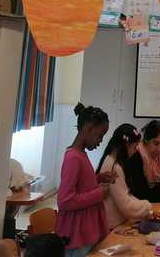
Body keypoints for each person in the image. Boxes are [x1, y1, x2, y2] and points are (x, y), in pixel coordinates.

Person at [56, 104, 113, 257]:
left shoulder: (80, 154)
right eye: (100, 135)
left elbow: (81, 185)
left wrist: (98, 178)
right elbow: (65, 201)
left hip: (84, 232)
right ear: (88, 128)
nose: (100, 141)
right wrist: (99, 193)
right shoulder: (73, 158)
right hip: (76, 235)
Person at [98, 123, 160, 229]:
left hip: (118, 223)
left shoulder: (114, 162)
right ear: (126, 145)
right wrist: (148, 207)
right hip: (112, 227)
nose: (136, 150)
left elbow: (127, 195)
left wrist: (148, 210)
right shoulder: (113, 166)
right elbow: (126, 205)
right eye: (135, 146)